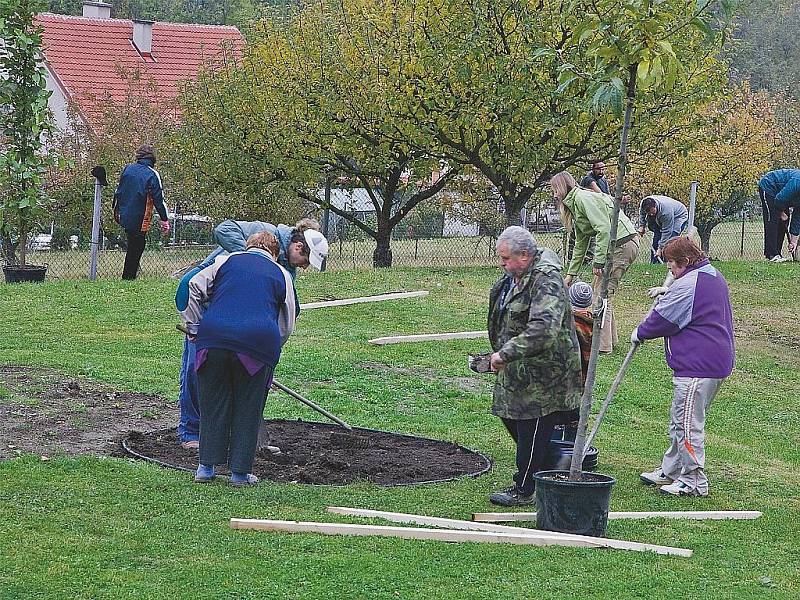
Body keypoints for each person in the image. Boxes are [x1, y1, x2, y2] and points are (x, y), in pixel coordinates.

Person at [174, 218, 328, 450]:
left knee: (238, 376)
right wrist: (249, 262)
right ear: (298, 247)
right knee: (197, 370)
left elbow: (289, 307)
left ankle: (234, 436)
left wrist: (266, 353)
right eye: (306, 260)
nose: (305, 267)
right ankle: (191, 432)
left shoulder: (287, 268)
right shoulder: (263, 234)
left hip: (239, 317)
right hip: (207, 304)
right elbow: (223, 230)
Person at [181, 231, 297, 486]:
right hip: (257, 347)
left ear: (248, 247)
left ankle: (205, 468)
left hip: (214, 341)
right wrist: (272, 347)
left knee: (213, 404)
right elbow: (288, 320)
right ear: (274, 252)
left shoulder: (225, 261)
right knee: (248, 407)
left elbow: (193, 286)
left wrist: (194, 327)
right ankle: (240, 474)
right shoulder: (281, 274)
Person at [487, 226, 583, 507]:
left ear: (525, 255)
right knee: (509, 413)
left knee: (532, 424)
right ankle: (554, 461)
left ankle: (526, 487)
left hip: (547, 372)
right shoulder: (515, 277)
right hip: (520, 367)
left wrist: (505, 353)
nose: (501, 264)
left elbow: (543, 329)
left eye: (506, 258)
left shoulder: (546, 280)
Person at [632, 237, 734, 497]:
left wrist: (640, 332)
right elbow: (694, 305)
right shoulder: (709, 274)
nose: (670, 271)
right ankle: (672, 469)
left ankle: (693, 481)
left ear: (685, 262)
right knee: (681, 419)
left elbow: (663, 319)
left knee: (688, 424)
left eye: (671, 266)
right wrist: (669, 291)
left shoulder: (689, 284)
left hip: (698, 367)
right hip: (710, 361)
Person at [550, 171, 640, 353]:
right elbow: (580, 244)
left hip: (621, 245)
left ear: (561, 187)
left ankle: (602, 345)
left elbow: (604, 230)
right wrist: (570, 276)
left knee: (601, 295)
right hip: (620, 244)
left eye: (554, 190)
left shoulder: (583, 198)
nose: (554, 194)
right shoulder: (575, 204)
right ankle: (609, 340)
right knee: (603, 292)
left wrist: (598, 262)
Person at [113, 144, 170, 280]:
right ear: (153, 159)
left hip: (123, 213)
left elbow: (119, 190)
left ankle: (129, 276)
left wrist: (117, 210)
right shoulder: (152, 174)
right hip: (141, 216)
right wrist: (164, 219)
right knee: (137, 245)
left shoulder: (128, 169)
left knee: (133, 244)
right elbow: (159, 199)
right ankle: (128, 277)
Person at [757, 169, 800, 262]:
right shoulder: (797, 182)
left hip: (781, 196)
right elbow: (779, 200)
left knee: (784, 221)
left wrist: (793, 241)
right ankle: (771, 255)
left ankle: (777, 254)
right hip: (769, 186)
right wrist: (781, 213)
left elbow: (797, 219)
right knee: (772, 219)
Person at [637, 195, 688, 262]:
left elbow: (667, 232)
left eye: (652, 212)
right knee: (656, 240)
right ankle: (654, 263)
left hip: (678, 216)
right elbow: (642, 214)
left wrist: (660, 248)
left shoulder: (666, 211)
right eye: (649, 213)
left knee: (671, 240)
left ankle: (670, 262)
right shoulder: (643, 204)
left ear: (655, 205)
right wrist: (641, 226)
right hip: (661, 216)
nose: (651, 214)